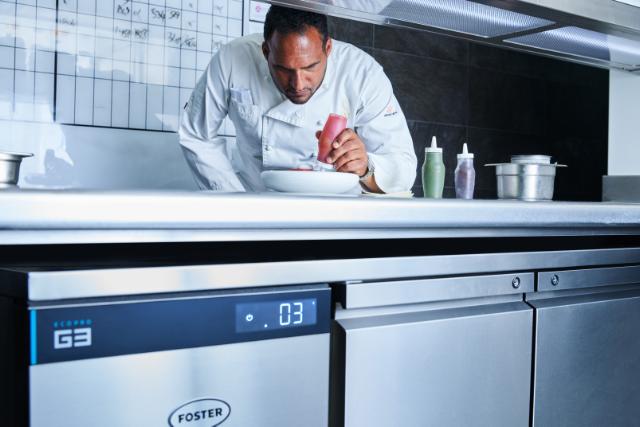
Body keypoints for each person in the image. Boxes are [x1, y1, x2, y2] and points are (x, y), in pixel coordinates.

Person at [179, 6, 416, 193]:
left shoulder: (362, 74)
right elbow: (196, 135)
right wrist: (235, 202)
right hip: (255, 205)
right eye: (284, 69)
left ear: (328, 48)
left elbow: (403, 167)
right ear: (266, 52)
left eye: (310, 67)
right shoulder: (232, 59)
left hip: (336, 215)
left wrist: (365, 167)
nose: (298, 84)